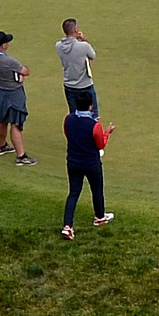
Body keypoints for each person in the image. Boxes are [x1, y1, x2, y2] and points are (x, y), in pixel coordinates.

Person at [61, 101, 113, 240]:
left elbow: (68, 135)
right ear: (90, 106)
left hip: (73, 162)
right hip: (91, 163)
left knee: (73, 193)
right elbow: (100, 144)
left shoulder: (68, 120)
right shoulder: (95, 125)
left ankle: (67, 226)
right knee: (96, 190)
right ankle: (100, 217)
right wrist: (107, 132)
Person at [0, 31, 33, 164]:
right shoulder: (9, 61)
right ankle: (21, 156)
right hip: (14, 94)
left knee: (2, 121)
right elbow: (26, 71)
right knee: (16, 124)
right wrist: (20, 75)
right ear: (3, 45)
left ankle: (2, 146)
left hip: (1, 92)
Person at [56, 18, 100, 111]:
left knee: (74, 115)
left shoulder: (58, 46)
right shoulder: (83, 46)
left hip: (69, 86)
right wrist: (84, 39)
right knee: (93, 115)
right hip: (85, 86)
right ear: (76, 30)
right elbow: (92, 55)